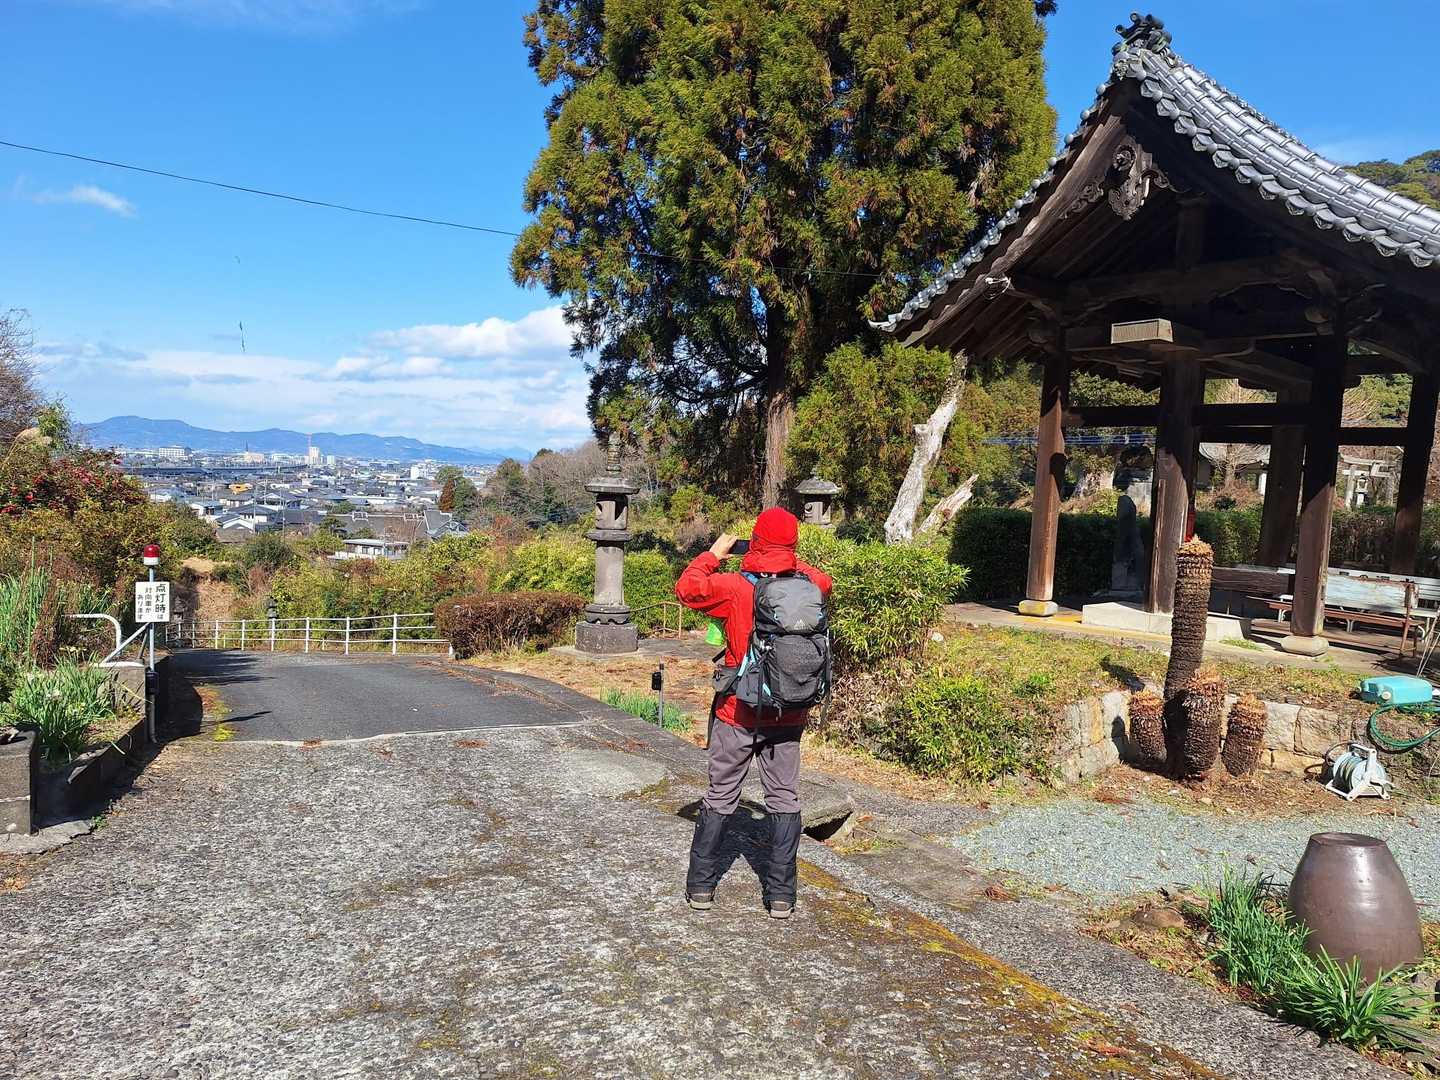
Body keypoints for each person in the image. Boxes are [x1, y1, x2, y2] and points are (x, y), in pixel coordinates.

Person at [674, 506, 832, 920]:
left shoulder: (734, 587)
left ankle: (701, 888)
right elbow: (824, 579)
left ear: (756, 541)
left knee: (721, 794)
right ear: (793, 544)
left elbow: (687, 589)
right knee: (784, 796)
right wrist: (786, 558)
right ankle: (781, 896)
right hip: (789, 712)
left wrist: (713, 554)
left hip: (738, 711)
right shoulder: (811, 585)